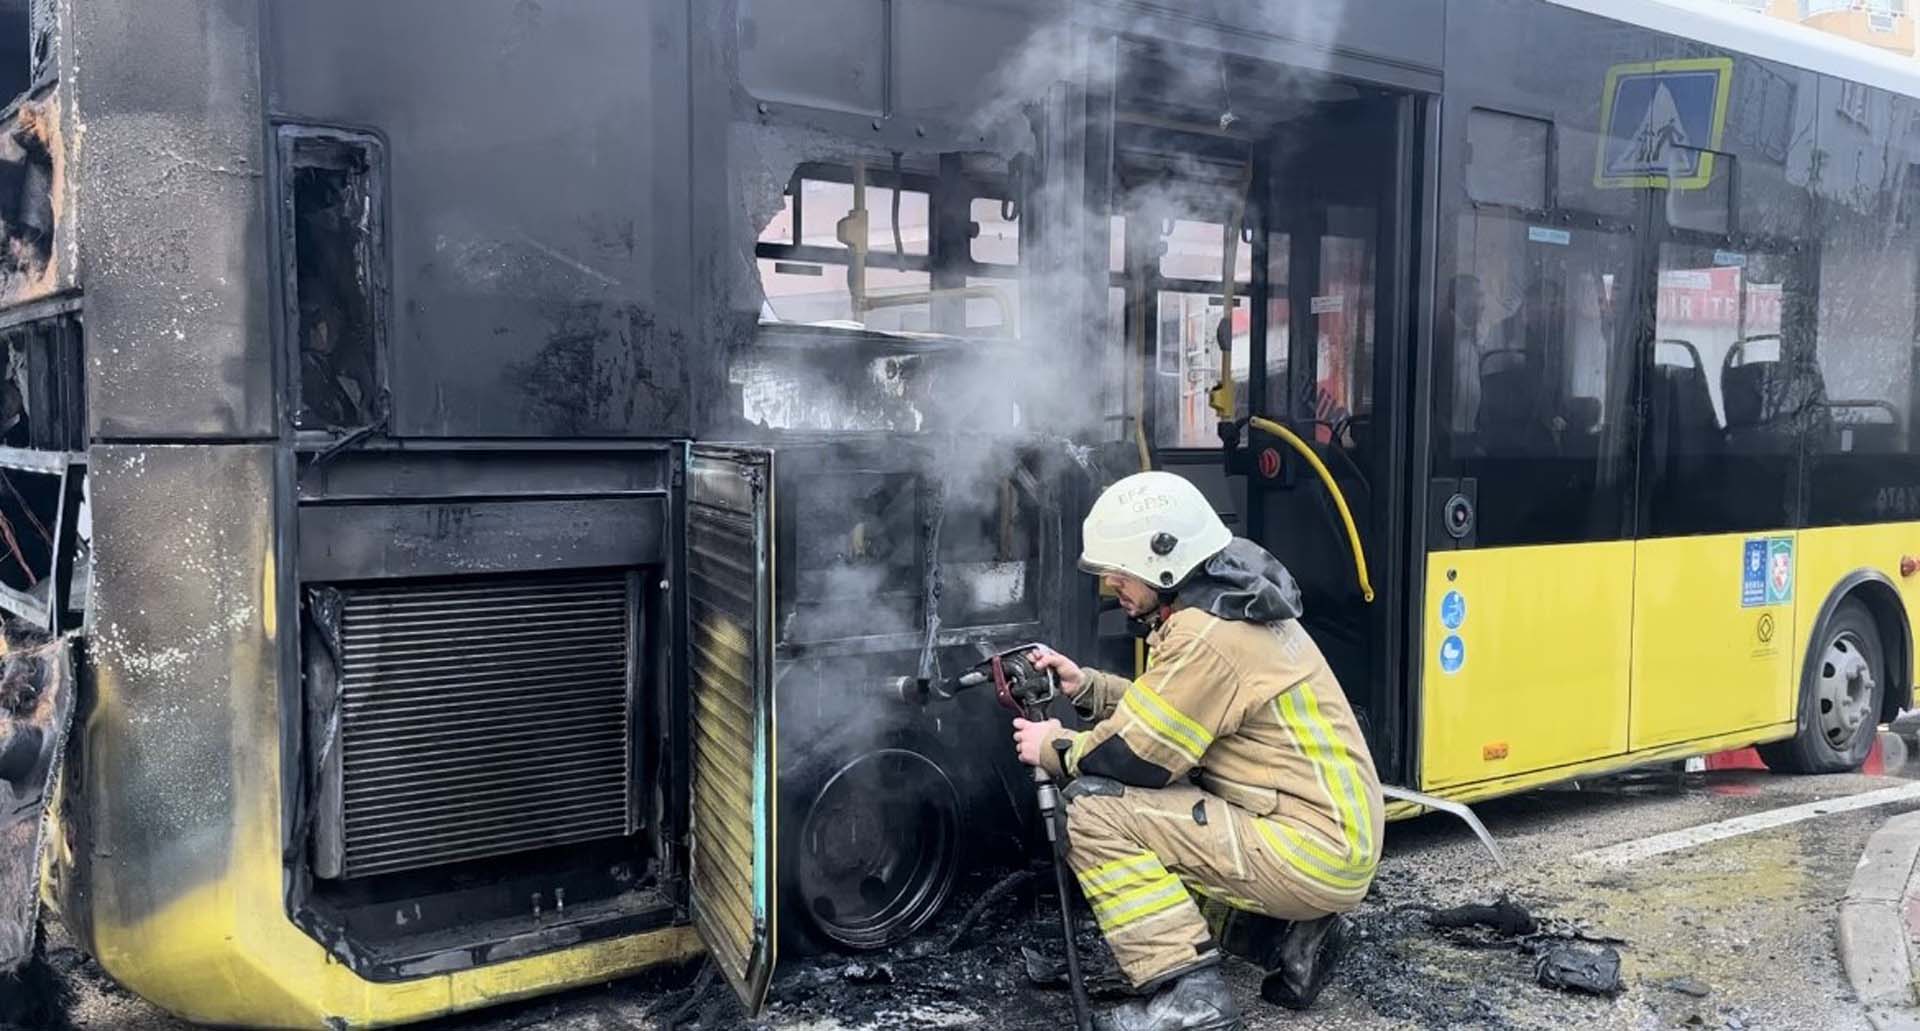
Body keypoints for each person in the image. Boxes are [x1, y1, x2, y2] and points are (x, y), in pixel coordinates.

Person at [1012, 471, 1383, 1031]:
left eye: (1120, 571)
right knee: (1165, 815)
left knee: (1091, 810)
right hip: (1327, 836)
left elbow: (1139, 756)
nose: (1113, 585)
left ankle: (1190, 999)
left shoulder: (1209, 635)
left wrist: (1053, 747)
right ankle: (1286, 941)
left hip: (1310, 847)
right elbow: (1181, 711)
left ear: (1164, 560)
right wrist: (1085, 686)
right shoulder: (1226, 608)